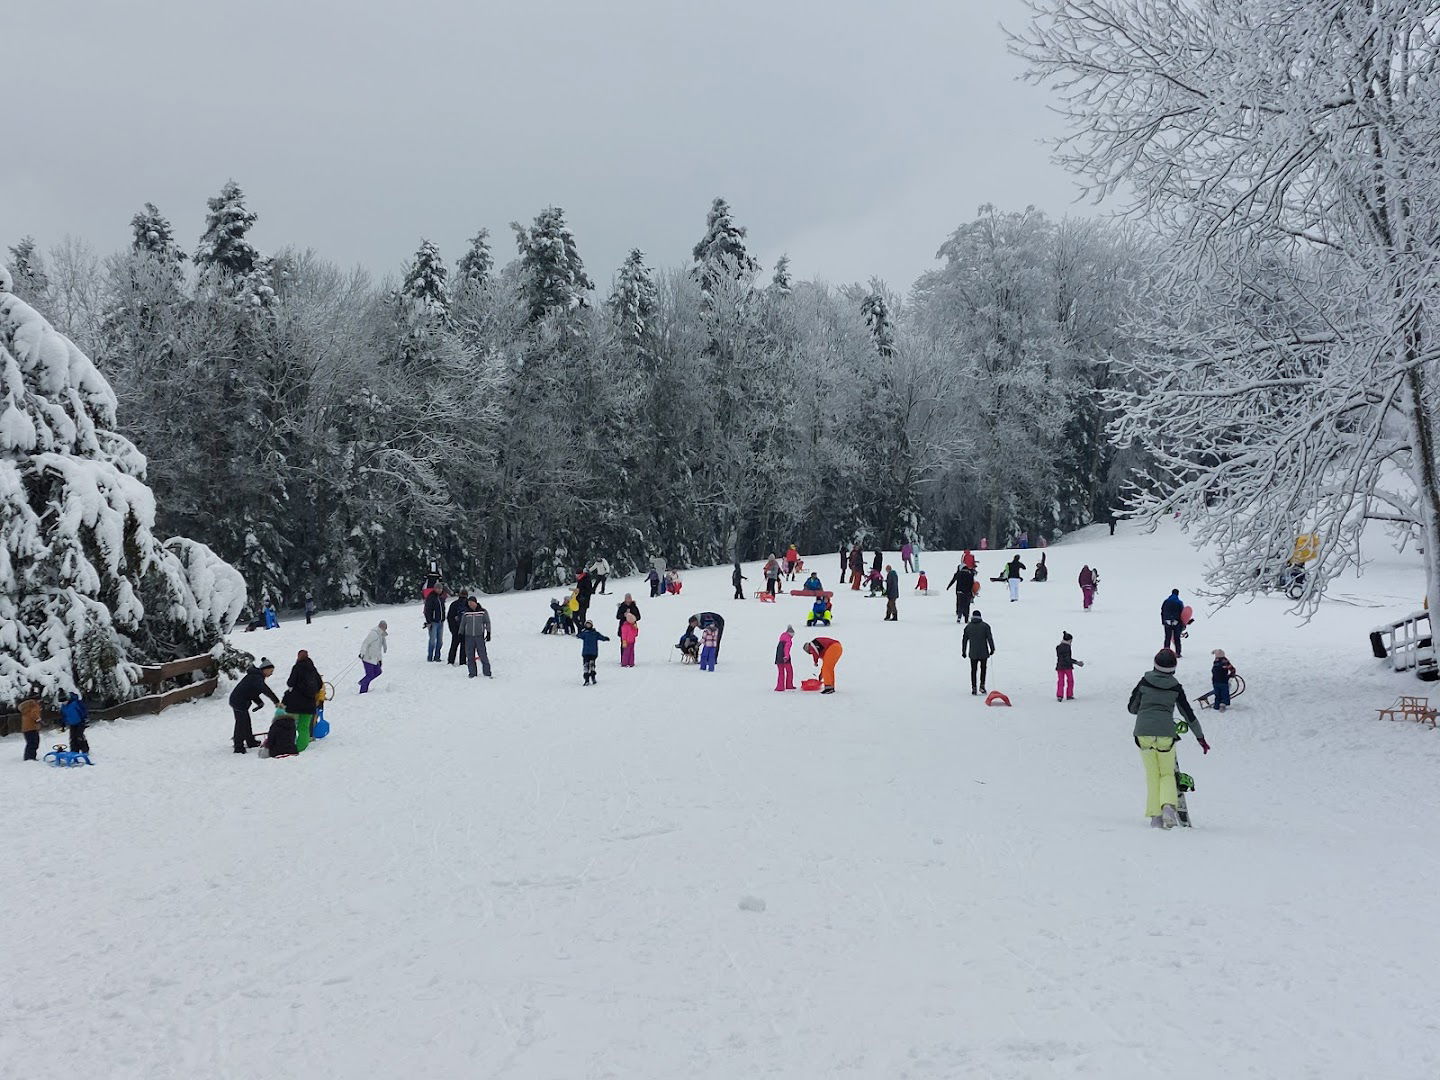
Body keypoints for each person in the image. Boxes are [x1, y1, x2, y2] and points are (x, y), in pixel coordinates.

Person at [1129, 649, 1209, 828]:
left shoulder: (1144, 682)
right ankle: (1168, 807)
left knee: (1152, 774)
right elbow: (1188, 713)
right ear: (1174, 668)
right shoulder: (1175, 687)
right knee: (1166, 773)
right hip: (1166, 732)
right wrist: (1200, 737)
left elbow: (1132, 708)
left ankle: (1155, 818)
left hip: (1143, 732)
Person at [230, 658, 278, 753]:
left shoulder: (256, 677)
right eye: (271, 671)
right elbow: (265, 689)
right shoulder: (256, 677)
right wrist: (276, 701)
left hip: (240, 701)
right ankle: (238, 747)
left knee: (246, 722)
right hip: (238, 701)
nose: (271, 673)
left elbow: (252, 692)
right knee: (241, 724)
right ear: (265, 669)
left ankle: (250, 741)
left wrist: (259, 702)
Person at [282, 650, 324, 752]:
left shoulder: (297, 668)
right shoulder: (313, 669)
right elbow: (319, 684)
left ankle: (289, 745)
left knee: (290, 725)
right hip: (309, 704)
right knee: (304, 727)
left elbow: (290, 683)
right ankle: (301, 747)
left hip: (294, 703)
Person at [961, 611, 995, 696]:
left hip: (973, 653)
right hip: (984, 652)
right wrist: (992, 648)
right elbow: (990, 638)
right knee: (983, 669)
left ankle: (974, 687)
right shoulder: (985, 626)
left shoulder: (968, 627)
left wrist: (964, 651)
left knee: (973, 670)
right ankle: (982, 686)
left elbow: (964, 640)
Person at [463, 598, 493, 678]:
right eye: (469, 603)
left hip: (479, 636)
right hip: (469, 637)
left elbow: (487, 622)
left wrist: (488, 632)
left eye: (472, 602)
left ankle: (487, 673)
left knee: (483, 655)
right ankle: (472, 673)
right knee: (470, 656)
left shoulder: (482, 612)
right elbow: (463, 624)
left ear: (476, 603)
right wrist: (461, 633)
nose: (470, 604)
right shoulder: (466, 613)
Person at [358, 622, 388, 693]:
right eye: (385, 628)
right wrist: (362, 653)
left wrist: (380, 660)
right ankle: (363, 691)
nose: (385, 630)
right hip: (367, 658)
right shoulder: (373, 634)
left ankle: (363, 682)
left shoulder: (381, 635)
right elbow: (365, 643)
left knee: (378, 671)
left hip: (374, 659)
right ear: (381, 627)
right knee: (370, 675)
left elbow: (378, 649)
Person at [1055, 632, 1084, 702]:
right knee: (1070, 681)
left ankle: (1059, 695)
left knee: (1060, 681)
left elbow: (1061, 658)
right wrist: (1076, 662)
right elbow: (1067, 659)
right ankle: (1069, 695)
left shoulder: (1058, 647)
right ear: (1069, 640)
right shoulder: (1067, 647)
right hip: (1067, 667)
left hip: (1059, 666)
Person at [578, 621, 610, 685]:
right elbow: (579, 635)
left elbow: (601, 637)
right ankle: (586, 680)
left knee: (592, 665)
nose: (588, 626)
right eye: (587, 625)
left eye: (589, 624)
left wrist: (605, 638)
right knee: (586, 666)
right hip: (586, 652)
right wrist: (581, 630)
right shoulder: (584, 633)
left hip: (593, 652)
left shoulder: (595, 633)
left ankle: (593, 677)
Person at [423, 586, 446, 663]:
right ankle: (430, 656)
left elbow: (443, 609)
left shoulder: (441, 598)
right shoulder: (431, 597)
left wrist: (443, 618)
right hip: (433, 622)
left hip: (440, 622)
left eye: (440, 589)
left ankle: (437, 656)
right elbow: (427, 610)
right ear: (435, 589)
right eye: (438, 588)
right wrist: (429, 622)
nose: (439, 590)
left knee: (440, 641)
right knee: (432, 640)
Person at [446, 590, 470, 663]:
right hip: (465, 629)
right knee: (464, 646)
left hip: (456, 629)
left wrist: (452, 629)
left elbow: (449, 618)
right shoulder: (468, 604)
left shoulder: (454, 604)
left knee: (454, 645)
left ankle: (451, 661)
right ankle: (462, 661)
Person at [1161, 589, 1185, 657]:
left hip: (1167, 621)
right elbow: (1182, 613)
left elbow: (1162, 612)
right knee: (1176, 638)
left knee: (1167, 638)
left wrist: (1163, 621)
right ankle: (1178, 653)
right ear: (1178, 594)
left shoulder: (1165, 601)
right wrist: (1182, 624)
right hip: (1176, 622)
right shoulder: (1179, 602)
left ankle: (1166, 652)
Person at [19, 688, 41, 761]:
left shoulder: (26, 706)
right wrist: (38, 719)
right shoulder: (34, 704)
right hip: (32, 727)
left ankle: (28, 757)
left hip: (25, 727)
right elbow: (34, 714)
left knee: (30, 743)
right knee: (34, 743)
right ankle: (31, 758)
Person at [775, 625, 795, 691]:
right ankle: (789, 685)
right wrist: (786, 656)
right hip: (785, 657)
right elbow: (787, 648)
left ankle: (780, 687)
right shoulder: (788, 640)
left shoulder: (782, 638)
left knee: (781, 672)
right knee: (790, 671)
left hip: (778, 657)